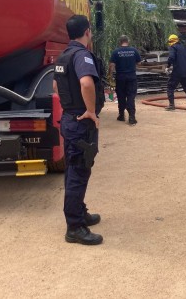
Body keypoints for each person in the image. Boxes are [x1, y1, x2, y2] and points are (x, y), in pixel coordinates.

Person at [53, 15, 105, 245]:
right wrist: (91, 111)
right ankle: (74, 226)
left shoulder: (63, 56)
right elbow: (86, 83)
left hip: (69, 118)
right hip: (81, 121)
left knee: (74, 169)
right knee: (79, 171)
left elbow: (56, 86)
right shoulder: (82, 55)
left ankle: (79, 211)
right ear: (87, 31)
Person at [109, 35, 141, 125]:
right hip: (131, 77)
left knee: (121, 96)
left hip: (120, 77)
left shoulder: (116, 52)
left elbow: (111, 66)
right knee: (131, 96)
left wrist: (110, 77)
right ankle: (132, 117)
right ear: (128, 41)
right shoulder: (134, 51)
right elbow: (139, 63)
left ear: (120, 42)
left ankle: (121, 115)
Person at [165, 34, 186, 111]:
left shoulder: (173, 47)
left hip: (177, 71)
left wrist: (167, 66)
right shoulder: (185, 48)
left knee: (170, 87)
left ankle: (171, 105)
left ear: (171, 41)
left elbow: (171, 57)